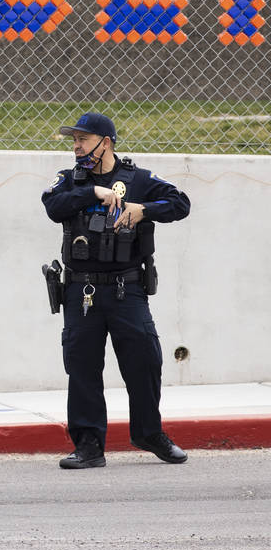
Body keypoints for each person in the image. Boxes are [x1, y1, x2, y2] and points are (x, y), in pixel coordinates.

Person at [42, 112, 190, 470]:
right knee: (82, 367)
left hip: (128, 289)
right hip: (82, 291)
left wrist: (143, 210)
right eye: (74, 140)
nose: (76, 146)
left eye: (83, 139)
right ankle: (89, 444)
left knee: (144, 362)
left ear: (105, 142)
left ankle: (148, 433)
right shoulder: (69, 181)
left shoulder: (136, 179)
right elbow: (52, 206)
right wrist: (92, 191)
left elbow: (180, 203)